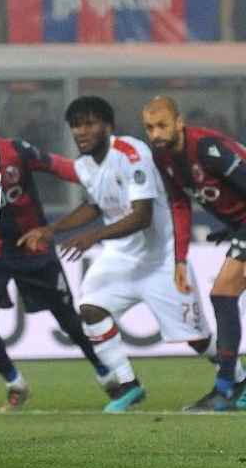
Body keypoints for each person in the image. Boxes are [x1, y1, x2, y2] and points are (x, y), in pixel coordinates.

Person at [18, 97, 213, 413]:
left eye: (89, 123)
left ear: (108, 126)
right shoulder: (85, 165)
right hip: (122, 258)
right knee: (91, 308)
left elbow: (142, 215)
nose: (82, 131)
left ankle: (238, 379)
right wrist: (51, 231)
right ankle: (128, 384)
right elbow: (96, 205)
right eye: (76, 125)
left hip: (161, 259)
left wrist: (92, 236)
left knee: (197, 340)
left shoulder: (131, 153)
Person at [0, 130, 110, 412]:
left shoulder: (16, 150)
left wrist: (98, 180)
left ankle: (107, 373)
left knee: (69, 320)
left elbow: (59, 166)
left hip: (32, 245)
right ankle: (15, 384)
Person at [142, 96, 246, 411]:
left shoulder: (207, 149)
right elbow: (179, 205)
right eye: (149, 127)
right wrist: (180, 259)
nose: (155, 134)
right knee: (224, 295)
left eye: (162, 125)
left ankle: (226, 389)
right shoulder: (163, 158)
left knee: (223, 293)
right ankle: (231, 388)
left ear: (179, 122)